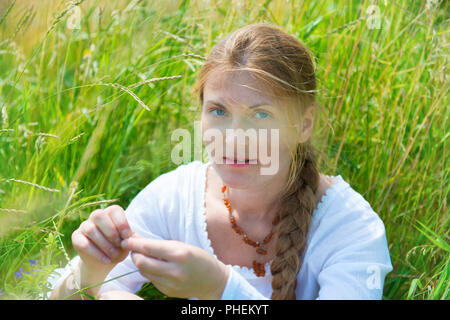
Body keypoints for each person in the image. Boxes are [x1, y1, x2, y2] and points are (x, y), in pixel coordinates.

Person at [47, 22, 393, 300]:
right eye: (218, 111)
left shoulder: (349, 228)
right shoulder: (176, 198)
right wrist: (92, 273)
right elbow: (62, 294)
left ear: (304, 124)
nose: (233, 136)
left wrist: (220, 288)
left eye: (260, 114)